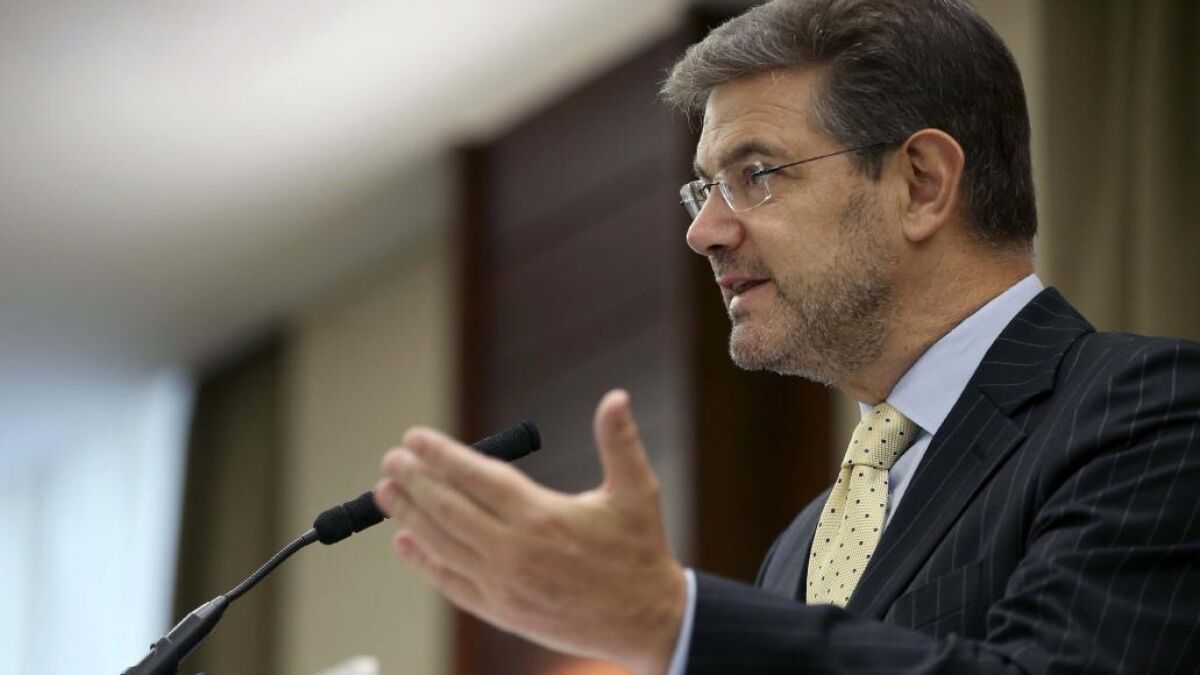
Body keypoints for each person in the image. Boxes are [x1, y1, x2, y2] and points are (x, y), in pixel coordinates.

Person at [373, 0, 1200, 672]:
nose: (704, 231)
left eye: (756, 175)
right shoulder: (801, 546)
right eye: (704, 189)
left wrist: (672, 620)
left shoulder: (1150, 412)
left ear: (922, 183)